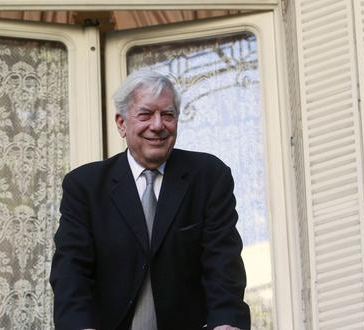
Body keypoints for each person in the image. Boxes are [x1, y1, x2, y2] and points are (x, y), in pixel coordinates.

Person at [50, 70, 251, 330]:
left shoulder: (209, 177)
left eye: (167, 115)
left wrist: (226, 321)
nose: (157, 126)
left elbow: (223, 262)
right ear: (121, 124)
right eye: (145, 115)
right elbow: (71, 270)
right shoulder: (85, 186)